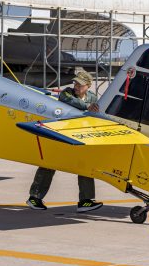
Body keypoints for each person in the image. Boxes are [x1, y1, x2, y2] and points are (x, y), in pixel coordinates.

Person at [26, 69, 104, 213]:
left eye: (80, 84)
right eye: (75, 83)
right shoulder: (67, 93)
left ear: (88, 86)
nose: (76, 86)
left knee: (85, 166)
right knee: (49, 163)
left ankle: (85, 201)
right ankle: (34, 197)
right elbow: (68, 100)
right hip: (61, 134)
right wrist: (87, 107)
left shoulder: (93, 98)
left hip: (79, 136)